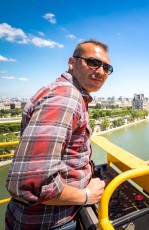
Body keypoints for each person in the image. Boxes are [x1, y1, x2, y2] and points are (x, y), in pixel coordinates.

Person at [5, 39, 113, 229]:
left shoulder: (64, 92)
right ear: (72, 62)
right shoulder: (65, 98)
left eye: (106, 67)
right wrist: (87, 195)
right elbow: (30, 184)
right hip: (50, 222)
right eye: (93, 62)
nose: (101, 71)